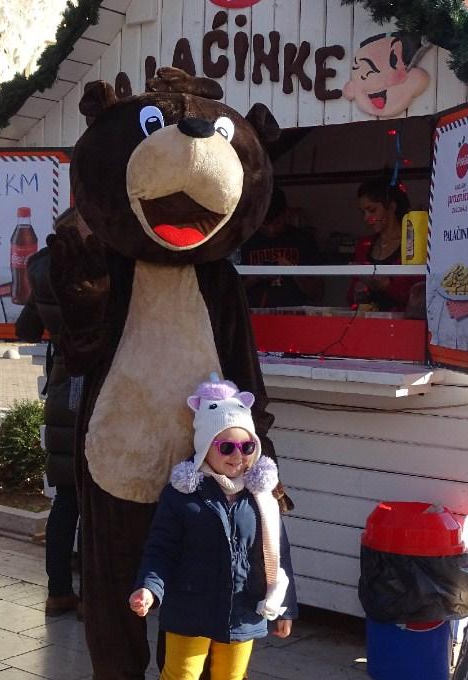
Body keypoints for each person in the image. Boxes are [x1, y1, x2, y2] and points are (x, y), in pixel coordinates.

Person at [128, 375, 297, 680]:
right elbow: (161, 549)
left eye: (247, 446)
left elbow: (278, 553)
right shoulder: (182, 495)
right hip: (189, 606)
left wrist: (284, 607)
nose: (237, 456)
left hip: (243, 607)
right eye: (226, 447)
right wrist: (149, 588)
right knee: (180, 675)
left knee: (231, 677)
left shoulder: (262, 497)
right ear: (206, 446)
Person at [14, 241, 83, 618]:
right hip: (100, 388)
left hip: (62, 386)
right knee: (94, 501)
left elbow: (25, 329)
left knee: (66, 500)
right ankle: (91, 596)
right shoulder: (102, 269)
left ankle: (58, 593)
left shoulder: (46, 274)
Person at [240, 187, 323, 309]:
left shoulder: (303, 240)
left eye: (277, 222)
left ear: (286, 214)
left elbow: (318, 293)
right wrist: (256, 277)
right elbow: (228, 292)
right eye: (265, 224)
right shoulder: (246, 242)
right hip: (254, 317)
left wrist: (293, 271)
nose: (272, 229)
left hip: (295, 318)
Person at [347, 179, 421, 312]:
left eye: (372, 210)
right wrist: (357, 291)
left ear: (391, 207)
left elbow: (420, 300)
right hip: (367, 325)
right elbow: (350, 298)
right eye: (363, 212)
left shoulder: (413, 245)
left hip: (402, 326)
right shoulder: (363, 246)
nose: (366, 218)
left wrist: (387, 286)